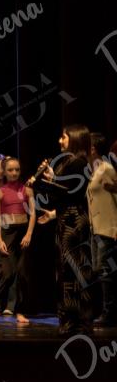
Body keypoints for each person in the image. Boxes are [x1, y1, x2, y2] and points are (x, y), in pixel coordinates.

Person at [32, 124, 95, 335]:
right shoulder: (67, 162)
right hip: (64, 219)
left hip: (75, 221)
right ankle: (69, 319)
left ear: (75, 139)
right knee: (65, 271)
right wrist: (43, 180)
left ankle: (79, 320)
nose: (60, 140)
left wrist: (50, 180)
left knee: (75, 271)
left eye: (64, 137)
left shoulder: (79, 163)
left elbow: (73, 193)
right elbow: (56, 195)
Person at [0, 157, 35, 324]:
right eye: (10, 170)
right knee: (6, 272)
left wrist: (28, 234)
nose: (14, 173)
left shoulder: (27, 190)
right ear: (4, 172)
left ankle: (20, 311)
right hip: (7, 232)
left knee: (22, 273)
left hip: (23, 232)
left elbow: (33, 214)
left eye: (17, 170)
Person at [87, 136, 117, 326]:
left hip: (108, 226)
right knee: (99, 270)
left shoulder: (106, 169)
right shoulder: (95, 170)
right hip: (96, 227)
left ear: (92, 148)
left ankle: (109, 313)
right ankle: (105, 311)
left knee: (106, 270)